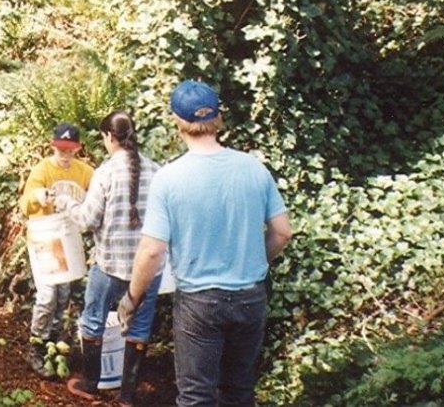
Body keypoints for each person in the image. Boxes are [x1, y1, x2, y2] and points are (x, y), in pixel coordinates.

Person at [119, 80, 293, 407]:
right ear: (218, 118)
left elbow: (152, 251)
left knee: (197, 397)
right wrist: (253, 262)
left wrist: (132, 298)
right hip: (250, 298)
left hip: (199, 303)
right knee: (239, 393)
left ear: (177, 122)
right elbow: (282, 232)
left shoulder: (169, 178)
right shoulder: (254, 168)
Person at [53, 110, 163, 405]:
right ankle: (127, 396)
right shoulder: (157, 170)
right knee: (139, 327)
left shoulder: (105, 173)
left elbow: (87, 220)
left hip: (110, 265)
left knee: (93, 320)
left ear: (109, 137)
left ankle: (91, 383)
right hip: (148, 269)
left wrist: (66, 202)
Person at [20, 122, 94, 378]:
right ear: (53, 147)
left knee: (63, 295)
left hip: (69, 239)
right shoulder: (43, 169)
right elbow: (25, 204)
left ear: (77, 148)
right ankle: (36, 346)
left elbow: (97, 196)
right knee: (47, 294)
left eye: (69, 149)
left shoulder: (84, 172)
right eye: (60, 149)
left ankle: (53, 344)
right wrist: (37, 196)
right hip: (44, 238)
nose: (65, 154)